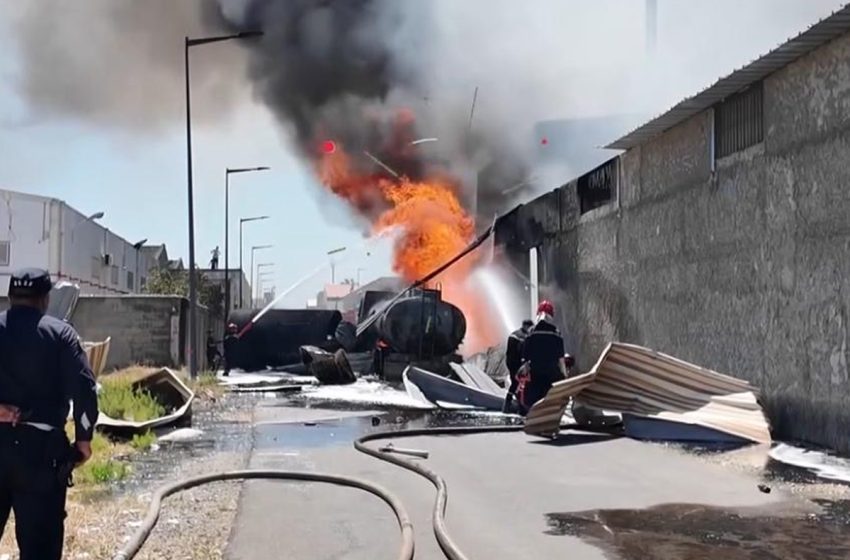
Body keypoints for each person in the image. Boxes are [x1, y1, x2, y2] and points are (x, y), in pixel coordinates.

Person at [0, 268, 98, 560]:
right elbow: (85, 387)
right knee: (40, 550)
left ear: (9, 296)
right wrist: (83, 441)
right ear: (45, 299)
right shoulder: (60, 333)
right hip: (41, 456)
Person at [517, 300, 568, 415]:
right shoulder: (556, 333)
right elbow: (561, 361)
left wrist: (521, 375)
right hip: (552, 376)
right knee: (550, 404)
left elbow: (525, 361)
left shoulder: (531, 332)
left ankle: (535, 419)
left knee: (533, 404)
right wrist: (565, 377)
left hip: (535, 376)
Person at [502, 319, 533, 413]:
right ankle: (516, 406)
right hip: (517, 364)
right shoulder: (523, 337)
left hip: (510, 362)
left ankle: (510, 405)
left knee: (515, 383)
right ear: (527, 326)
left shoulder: (514, 334)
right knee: (518, 384)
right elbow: (522, 352)